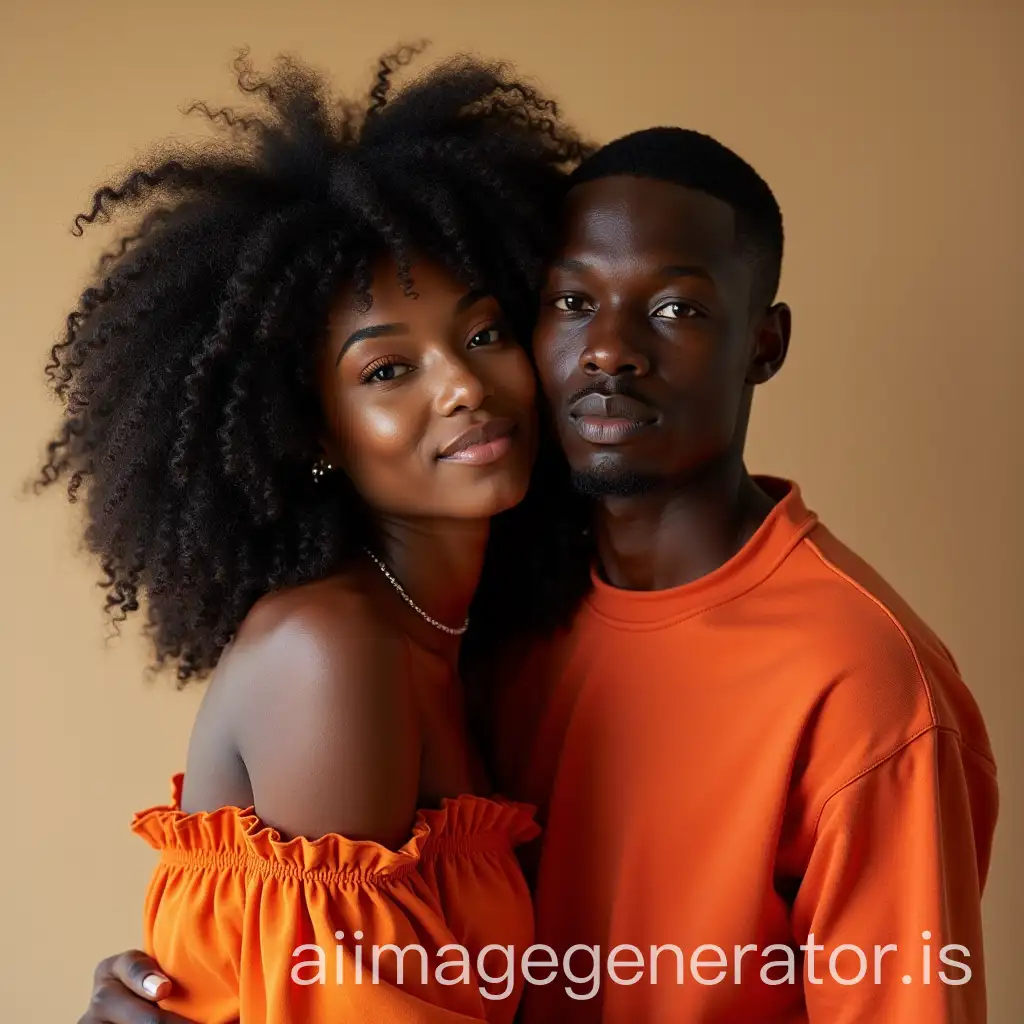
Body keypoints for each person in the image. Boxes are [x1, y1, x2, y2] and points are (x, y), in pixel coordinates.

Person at [75, 126, 998, 1022]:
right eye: (570, 303)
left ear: (764, 342)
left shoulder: (864, 684)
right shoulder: (410, 638)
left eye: (479, 336)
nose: (608, 350)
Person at [40, 46, 594, 1024]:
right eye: (387, 370)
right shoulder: (335, 654)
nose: (461, 385)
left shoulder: (458, 637)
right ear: (312, 430)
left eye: (484, 333)